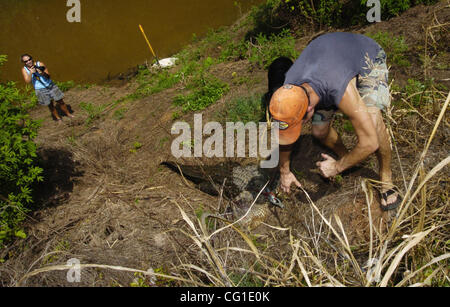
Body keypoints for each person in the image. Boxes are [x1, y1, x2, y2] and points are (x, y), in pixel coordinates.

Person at [269, 32, 401, 211]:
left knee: (373, 122)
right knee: (319, 131)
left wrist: (337, 168)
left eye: (299, 123)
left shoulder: (338, 88)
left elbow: (370, 143)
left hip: (366, 56)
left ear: (309, 109)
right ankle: (348, 156)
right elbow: (284, 134)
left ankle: (386, 176)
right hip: (329, 60)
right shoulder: (288, 90)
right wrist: (285, 172)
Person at [21, 54, 73, 122]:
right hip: (40, 90)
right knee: (50, 104)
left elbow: (48, 76)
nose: (28, 62)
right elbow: (27, 81)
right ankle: (58, 119)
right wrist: (31, 73)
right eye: (26, 61)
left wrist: (41, 73)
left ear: (32, 58)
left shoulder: (39, 64)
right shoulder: (24, 69)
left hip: (50, 85)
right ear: (24, 63)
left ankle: (68, 114)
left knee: (60, 101)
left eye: (29, 59)